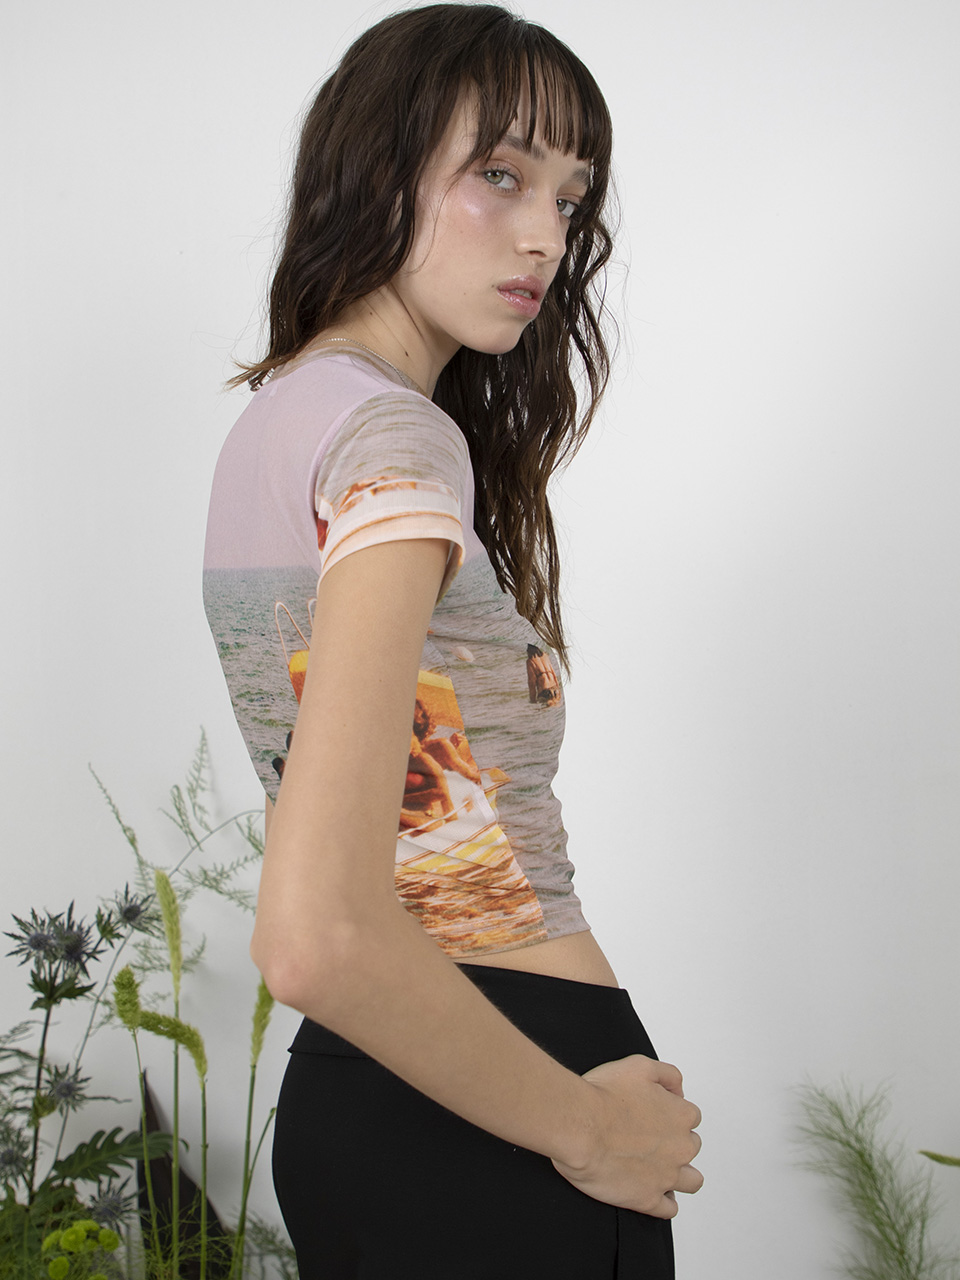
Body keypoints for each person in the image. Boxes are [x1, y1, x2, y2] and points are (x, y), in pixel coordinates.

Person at [202, 5, 703, 1276]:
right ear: (376, 168)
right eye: (500, 174)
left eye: (570, 197)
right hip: (503, 1114)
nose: (547, 235)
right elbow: (315, 931)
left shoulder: (282, 422)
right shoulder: (395, 440)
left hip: (378, 1093)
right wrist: (590, 1126)